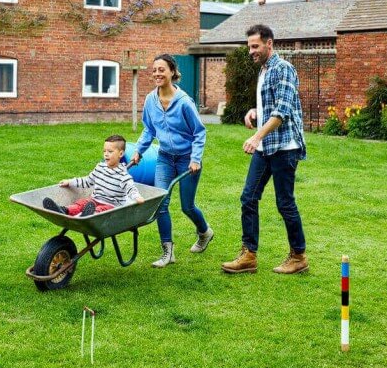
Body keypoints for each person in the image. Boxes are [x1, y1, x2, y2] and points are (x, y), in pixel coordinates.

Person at [221, 24, 309, 275]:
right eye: (249, 46)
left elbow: (282, 112)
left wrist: (256, 136)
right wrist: (256, 112)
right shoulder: (264, 70)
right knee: (248, 197)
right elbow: (272, 107)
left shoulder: (284, 70)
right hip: (267, 146)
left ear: (269, 43)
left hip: (284, 147)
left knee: (285, 203)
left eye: (255, 46)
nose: (251, 51)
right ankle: (249, 255)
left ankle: (299, 255)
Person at [131, 53, 213, 268]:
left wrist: (195, 159)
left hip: (187, 160)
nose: (157, 73)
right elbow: (149, 129)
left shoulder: (184, 102)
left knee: (187, 206)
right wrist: (139, 151)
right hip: (165, 158)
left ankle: (205, 232)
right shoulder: (151, 100)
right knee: (161, 204)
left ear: (172, 72)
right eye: (155, 70)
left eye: (162, 70)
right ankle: (168, 251)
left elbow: (199, 132)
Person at [43, 134, 144, 218]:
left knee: (100, 210)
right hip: (94, 200)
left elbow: (131, 188)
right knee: (81, 203)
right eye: (104, 151)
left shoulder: (123, 175)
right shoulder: (100, 167)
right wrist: (70, 182)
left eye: (110, 151)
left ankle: (85, 216)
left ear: (121, 153)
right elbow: (87, 180)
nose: (106, 154)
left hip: (111, 206)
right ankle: (64, 210)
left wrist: (137, 197)